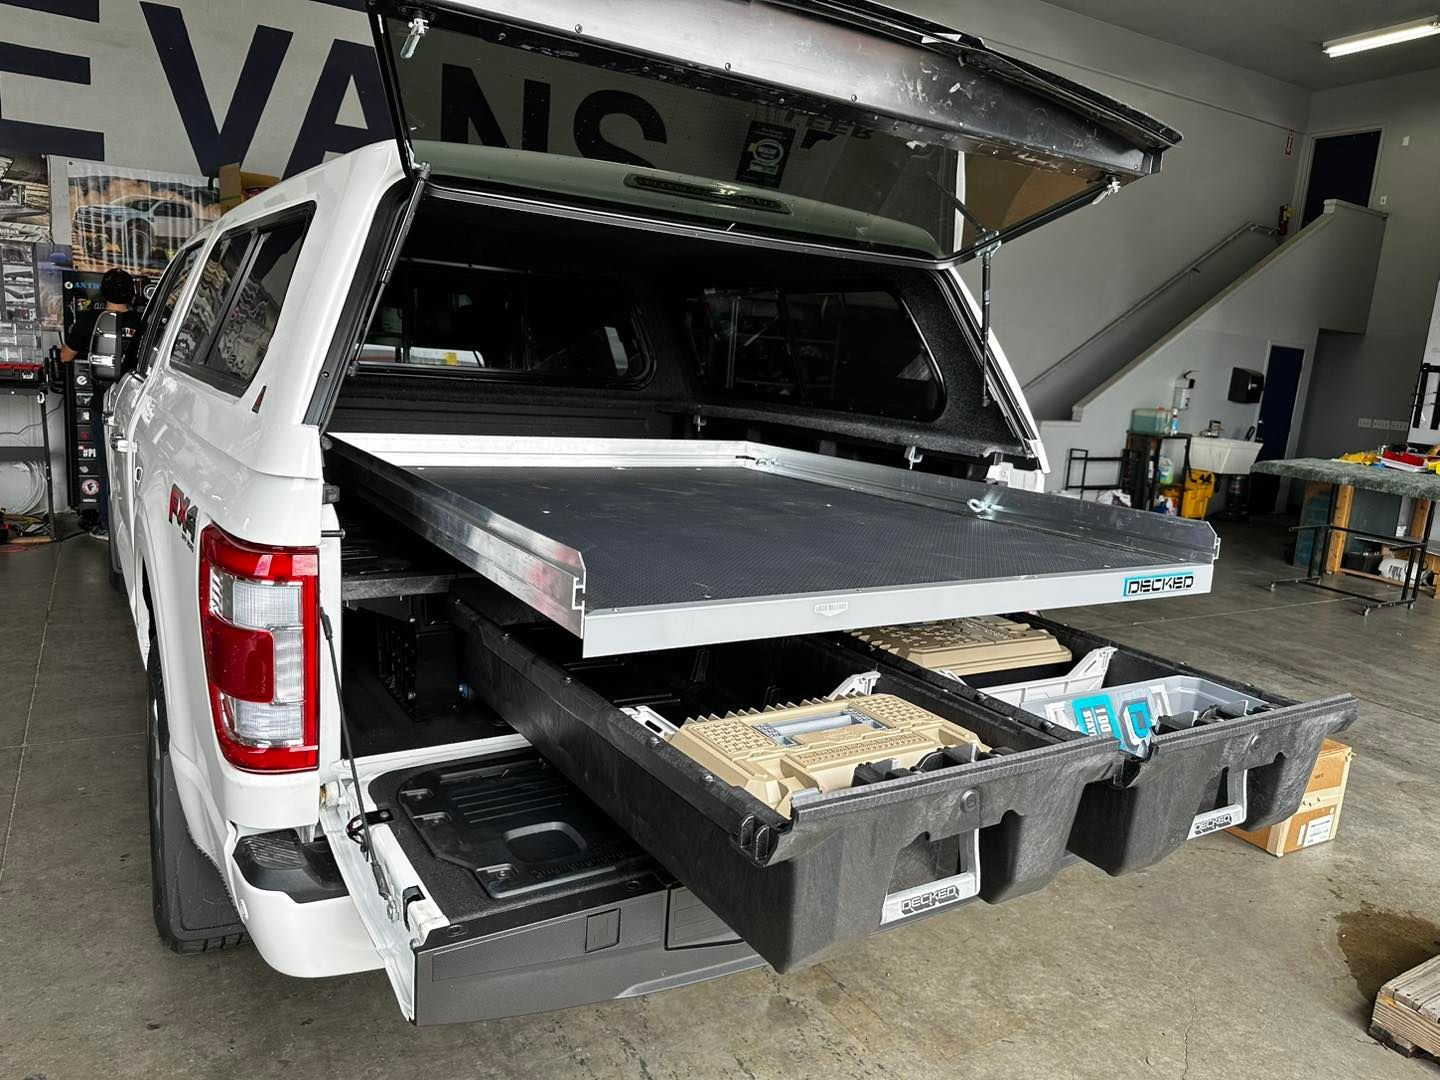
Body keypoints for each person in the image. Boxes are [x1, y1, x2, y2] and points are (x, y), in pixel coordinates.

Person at [60, 267, 142, 541]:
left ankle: (108, 526)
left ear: (103, 292)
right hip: (136, 405)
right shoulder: (144, 323)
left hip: (103, 405)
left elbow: (65, 356)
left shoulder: (89, 320)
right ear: (132, 292)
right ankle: (135, 528)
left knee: (108, 468)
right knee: (135, 469)